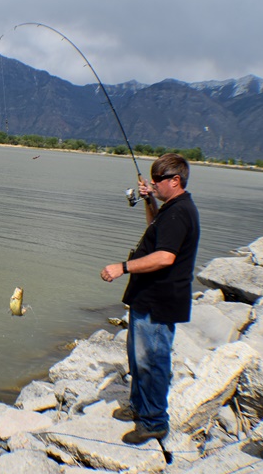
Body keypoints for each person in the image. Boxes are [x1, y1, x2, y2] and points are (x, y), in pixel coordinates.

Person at [100, 153, 200, 445]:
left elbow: (165, 256)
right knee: (137, 358)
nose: (153, 184)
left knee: (153, 362)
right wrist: (148, 199)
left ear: (175, 180)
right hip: (147, 298)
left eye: (157, 181)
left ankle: (154, 422)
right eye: (152, 180)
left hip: (161, 302)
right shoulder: (172, 209)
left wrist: (123, 267)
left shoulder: (181, 212)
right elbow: (155, 226)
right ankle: (138, 407)